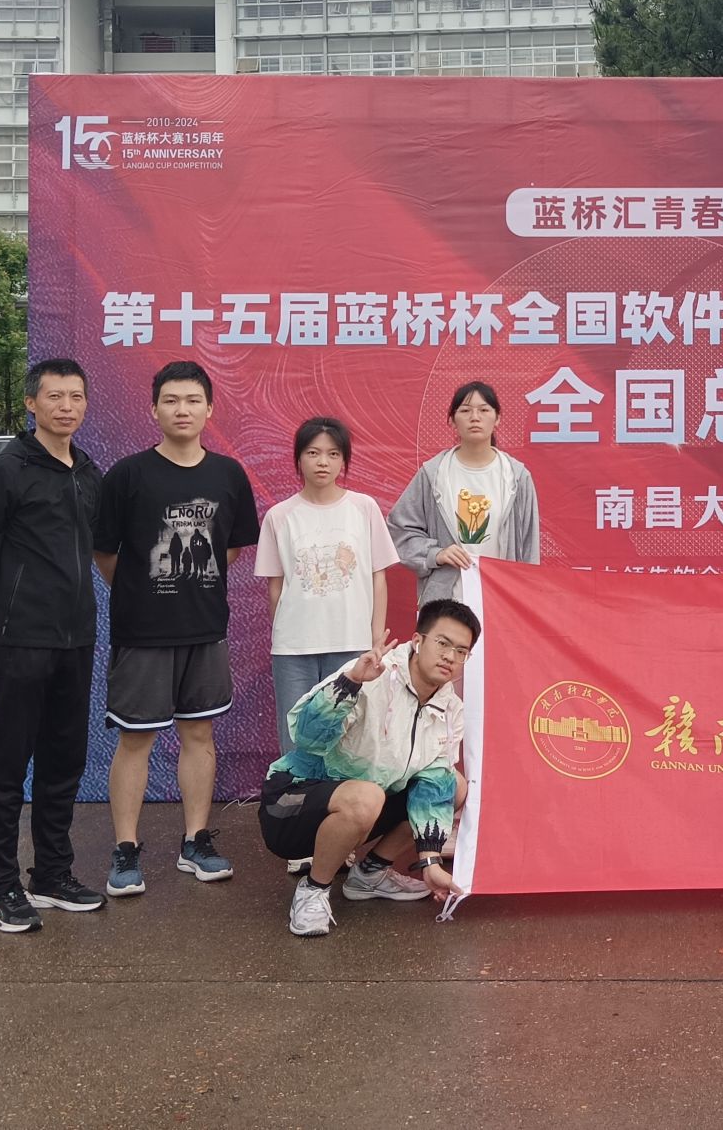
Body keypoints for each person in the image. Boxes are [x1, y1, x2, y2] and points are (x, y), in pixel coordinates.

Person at [93, 359, 260, 897]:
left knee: (199, 734)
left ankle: (195, 841)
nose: (181, 410)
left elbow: (231, 549)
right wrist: (144, 590)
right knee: (135, 739)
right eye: (171, 400)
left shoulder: (228, 474)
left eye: (192, 400)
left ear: (210, 409)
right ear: (154, 409)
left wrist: (190, 584)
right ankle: (125, 849)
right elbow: (106, 554)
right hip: (142, 632)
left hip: (205, 629)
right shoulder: (127, 476)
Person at [0, 358, 108, 934]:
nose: (66, 406)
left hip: (76, 640)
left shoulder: (88, 472)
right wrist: (12, 603)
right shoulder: (7, 470)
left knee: (63, 762)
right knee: (7, 764)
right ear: (31, 403)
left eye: (76, 396)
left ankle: (51, 874)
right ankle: (1, 889)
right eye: (54, 396)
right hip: (20, 640)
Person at [259, 599, 477, 937]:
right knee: (367, 797)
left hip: (365, 803)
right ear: (418, 641)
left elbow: (434, 784)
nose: (450, 656)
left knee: (453, 784)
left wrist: (430, 860)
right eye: (443, 643)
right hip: (292, 802)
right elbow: (306, 738)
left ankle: (370, 874)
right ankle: (314, 889)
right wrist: (351, 684)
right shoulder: (371, 673)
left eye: (461, 651)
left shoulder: (451, 709)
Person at [256, 416, 400, 870]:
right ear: (298, 459)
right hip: (294, 647)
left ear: (344, 461)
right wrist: (286, 631)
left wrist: (374, 636)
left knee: (347, 740)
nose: (323, 462)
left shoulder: (363, 508)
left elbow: (379, 577)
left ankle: (340, 836)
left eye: (333, 454)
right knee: (297, 739)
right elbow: (276, 586)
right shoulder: (280, 516)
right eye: (313, 453)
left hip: (351, 646)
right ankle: (300, 842)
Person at [388, 381, 540, 604]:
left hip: (502, 600)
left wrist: (526, 599)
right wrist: (436, 553)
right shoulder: (434, 474)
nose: (475, 417)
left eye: (484, 410)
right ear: (452, 420)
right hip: (446, 601)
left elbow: (529, 547)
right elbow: (399, 529)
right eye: (466, 410)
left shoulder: (516, 477)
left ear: (497, 418)